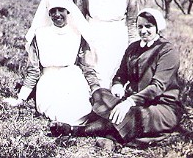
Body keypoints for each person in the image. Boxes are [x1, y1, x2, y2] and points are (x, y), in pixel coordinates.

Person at [58, 8, 183, 146]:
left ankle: (76, 130)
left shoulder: (167, 51)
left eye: (148, 26)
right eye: (140, 26)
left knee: (132, 114)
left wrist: (129, 102)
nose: (143, 30)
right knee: (99, 94)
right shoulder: (133, 48)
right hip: (132, 101)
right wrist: (117, 85)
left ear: (158, 27)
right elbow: (120, 75)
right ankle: (113, 131)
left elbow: (157, 87)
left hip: (161, 107)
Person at [3, 0, 96, 128]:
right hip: (49, 81)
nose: (57, 14)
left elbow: (86, 67)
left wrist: (96, 89)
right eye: (53, 11)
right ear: (48, 13)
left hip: (73, 79)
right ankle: (67, 128)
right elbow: (33, 70)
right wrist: (21, 98)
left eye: (61, 10)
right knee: (61, 112)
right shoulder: (40, 34)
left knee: (81, 110)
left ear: (68, 11)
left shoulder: (77, 34)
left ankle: (75, 129)